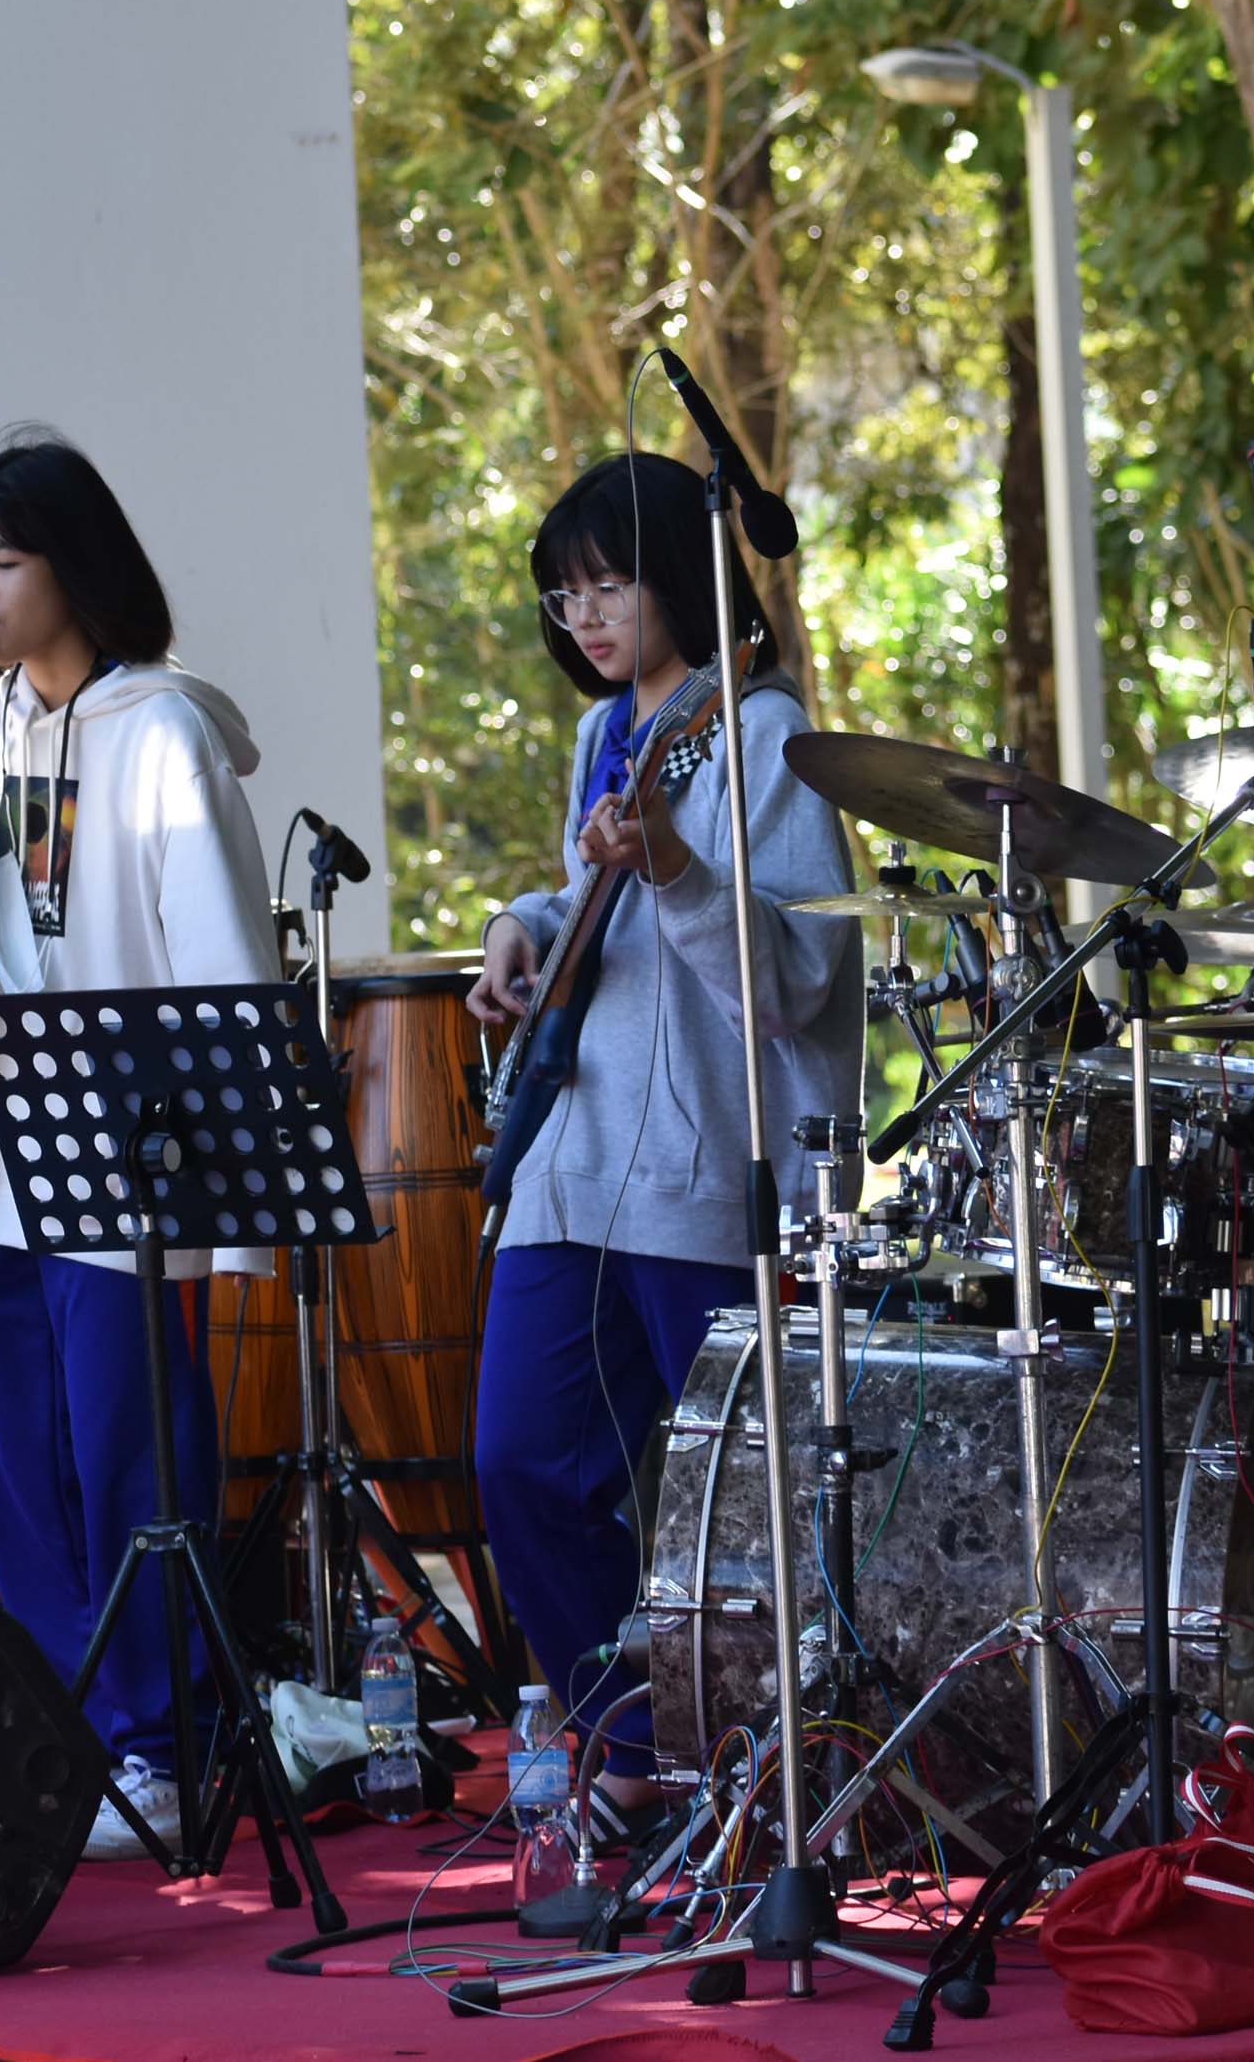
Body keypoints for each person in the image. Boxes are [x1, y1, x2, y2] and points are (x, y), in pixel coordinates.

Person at [0, 433, 279, 1861]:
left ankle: (162, 1740)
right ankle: (67, 1730)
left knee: (126, 1447)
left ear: (77, 566)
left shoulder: (160, 728)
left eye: (6, 560)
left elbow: (222, 957)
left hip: (129, 1151)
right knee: (12, 1453)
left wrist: (225, 1170)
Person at [461, 451, 861, 1833]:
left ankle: (748, 1773)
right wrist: (519, 922)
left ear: (681, 578)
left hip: (703, 1178)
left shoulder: (764, 736)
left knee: (726, 1511)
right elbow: (590, 895)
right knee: (519, 1459)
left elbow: (793, 981)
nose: (583, 616)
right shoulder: (605, 731)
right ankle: (628, 1744)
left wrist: (677, 865)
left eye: (610, 584)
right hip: (571, 1164)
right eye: (562, 594)